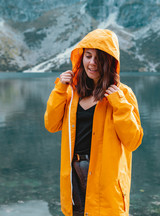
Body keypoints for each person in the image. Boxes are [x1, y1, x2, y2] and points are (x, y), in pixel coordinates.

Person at [44, 29, 143, 216]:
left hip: (105, 178)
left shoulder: (124, 94)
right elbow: (51, 125)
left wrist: (119, 103)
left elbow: (133, 141)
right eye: (88, 56)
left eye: (99, 58)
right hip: (74, 173)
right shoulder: (71, 93)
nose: (92, 63)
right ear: (81, 58)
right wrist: (59, 89)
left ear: (110, 61)